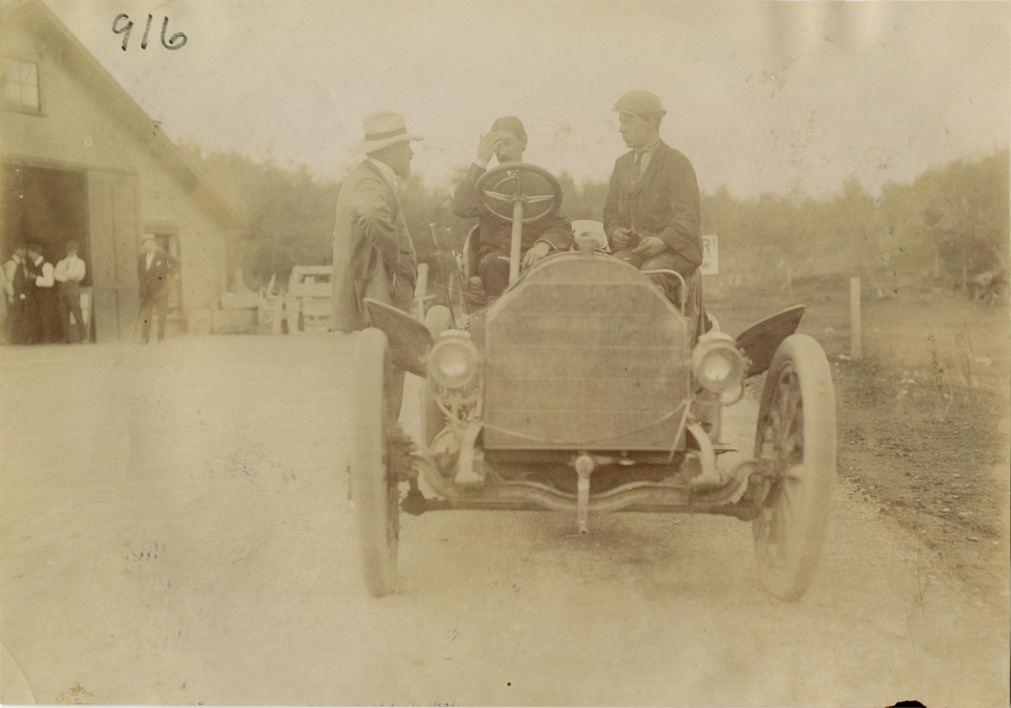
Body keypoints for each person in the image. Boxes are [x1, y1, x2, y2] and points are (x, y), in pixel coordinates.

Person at [330, 111, 422, 415]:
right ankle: (386, 438)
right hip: (380, 290)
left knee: (385, 367)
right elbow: (371, 213)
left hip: (379, 288)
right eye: (406, 146)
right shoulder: (369, 181)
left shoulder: (371, 178)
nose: (411, 153)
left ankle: (384, 435)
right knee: (389, 367)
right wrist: (396, 265)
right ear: (390, 151)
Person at [603, 90, 708, 338]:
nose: (621, 128)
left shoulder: (676, 163)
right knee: (607, 273)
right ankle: (613, 346)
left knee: (651, 274)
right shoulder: (622, 164)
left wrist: (662, 241)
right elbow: (610, 211)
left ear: (651, 122)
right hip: (637, 250)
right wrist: (614, 232)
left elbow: (689, 217)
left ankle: (656, 348)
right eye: (620, 121)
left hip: (677, 250)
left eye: (628, 120)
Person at [452, 116, 572, 302]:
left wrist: (543, 245)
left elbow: (561, 224)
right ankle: (498, 314)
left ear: (523, 143)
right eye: (497, 145)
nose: (502, 151)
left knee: (557, 265)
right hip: (498, 259)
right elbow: (461, 207)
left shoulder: (542, 183)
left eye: (508, 143)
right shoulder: (485, 185)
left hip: (534, 257)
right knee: (493, 263)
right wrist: (481, 160)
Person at [136, 234, 179, 343]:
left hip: (161, 289)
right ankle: (145, 338)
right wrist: (142, 290)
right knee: (147, 315)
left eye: (151, 243)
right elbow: (140, 276)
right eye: (146, 244)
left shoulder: (162, 255)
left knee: (161, 314)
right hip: (148, 291)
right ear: (143, 246)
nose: (149, 246)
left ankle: (161, 337)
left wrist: (169, 274)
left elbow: (177, 263)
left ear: (155, 244)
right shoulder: (141, 258)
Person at [54, 241, 88, 343]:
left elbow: (78, 275)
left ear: (76, 250)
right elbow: (56, 274)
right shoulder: (61, 262)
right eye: (68, 249)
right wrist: (66, 276)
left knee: (77, 312)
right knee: (63, 313)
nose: (70, 251)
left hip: (73, 287)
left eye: (72, 249)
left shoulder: (80, 262)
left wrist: (65, 273)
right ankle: (67, 338)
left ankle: (83, 337)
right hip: (63, 287)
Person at [26, 243, 55, 343]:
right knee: (34, 315)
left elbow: (50, 282)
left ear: (36, 253)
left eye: (30, 253)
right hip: (34, 295)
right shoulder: (32, 265)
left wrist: (36, 278)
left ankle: (47, 338)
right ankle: (36, 338)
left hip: (44, 296)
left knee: (45, 316)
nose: (29, 255)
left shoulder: (46, 265)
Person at [3, 246, 31, 344]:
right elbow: (8, 281)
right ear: (15, 250)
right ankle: (8, 338)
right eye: (21, 249)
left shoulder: (22, 263)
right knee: (12, 315)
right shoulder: (11, 264)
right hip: (14, 293)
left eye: (24, 249)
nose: (23, 251)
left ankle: (18, 338)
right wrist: (11, 294)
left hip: (22, 293)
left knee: (21, 315)